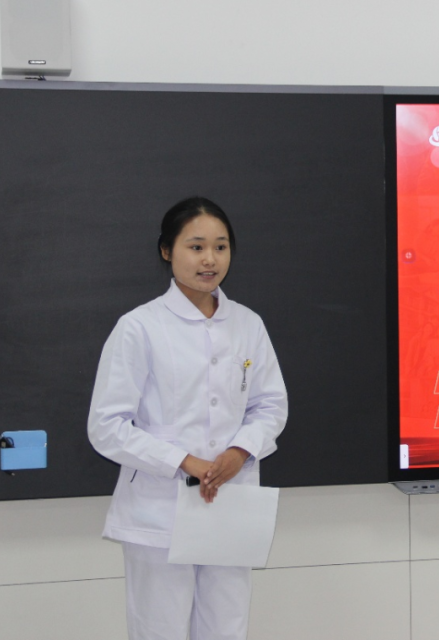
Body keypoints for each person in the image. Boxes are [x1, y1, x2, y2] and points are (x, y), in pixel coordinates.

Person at [88, 197, 289, 640]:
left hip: (230, 502)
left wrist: (240, 451)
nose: (210, 259)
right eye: (196, 247)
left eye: (221, 247)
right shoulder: (140, 326)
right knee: (159, 629)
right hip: (159, 509)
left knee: (226, 628)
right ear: (167, 251)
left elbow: (270, 405)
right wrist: (184, 461)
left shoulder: (248, 324)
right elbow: (107, 426)